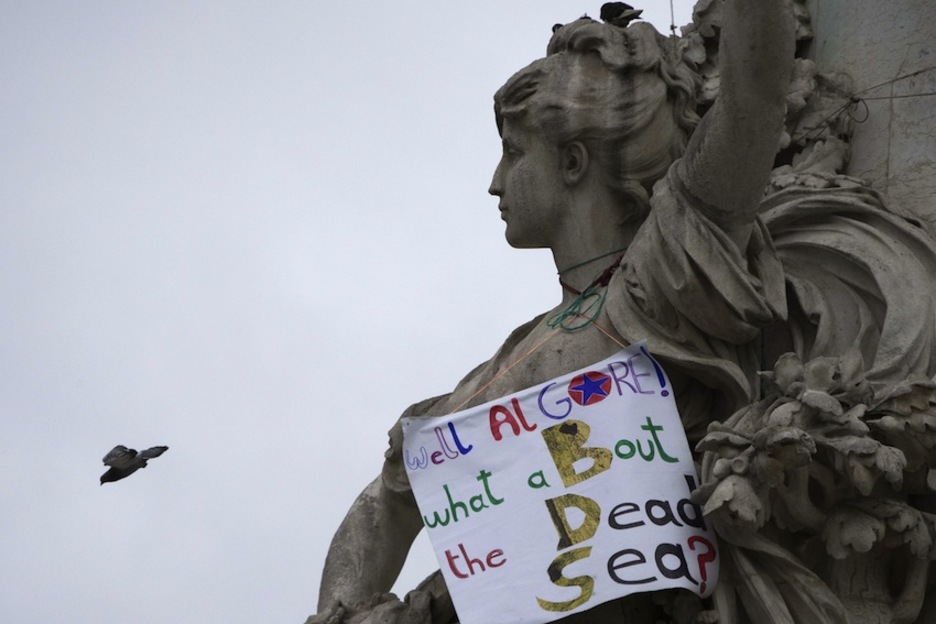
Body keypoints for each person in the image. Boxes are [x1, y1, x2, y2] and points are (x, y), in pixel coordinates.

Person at [312, 2, 795, 622]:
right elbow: (386, 500)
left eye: (514, 153)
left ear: (572, 163)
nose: (494, 181)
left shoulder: (664, 277)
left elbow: (755, 96)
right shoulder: (510, 358)